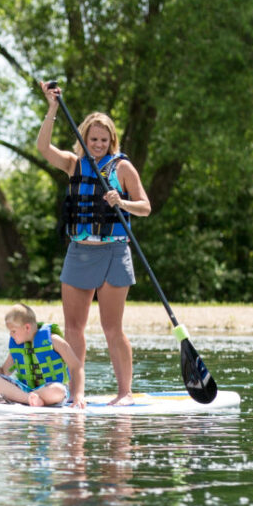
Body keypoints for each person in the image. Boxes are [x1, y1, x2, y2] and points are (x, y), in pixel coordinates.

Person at [35, 81, 151, 406]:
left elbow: (145, 207)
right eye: (93, 139)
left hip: (114, 252)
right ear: (84, 139)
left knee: (112, 328)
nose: (98, 144)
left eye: (104, 139)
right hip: (79, 252)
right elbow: (43, 148)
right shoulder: (73, 164)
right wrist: (53, 108)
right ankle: (77, 393)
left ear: (111, 141)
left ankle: (124, 393)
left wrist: (122, 203)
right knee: (74, 328)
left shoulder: (122, 168)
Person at [0, 302, 78, 406]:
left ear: (27, 327)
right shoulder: (18, 347)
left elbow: (76, 366)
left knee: (58, 390)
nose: (11, 335)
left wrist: (78, 395)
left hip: (50, 391)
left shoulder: (54, 340)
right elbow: (4, 372)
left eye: (13, 331)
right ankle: (29, 399)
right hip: (25, 391)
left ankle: (23, 398)